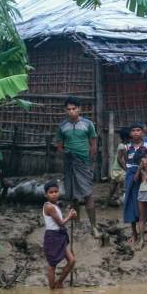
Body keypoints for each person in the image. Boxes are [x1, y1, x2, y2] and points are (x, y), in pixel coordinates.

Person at [55, 96, 100, 238]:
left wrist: (90, 163)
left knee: (88, 194)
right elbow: (59, 147)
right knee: (73, 195)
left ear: (79, 109)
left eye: (74, 108)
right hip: (69, 162)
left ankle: (94, 226)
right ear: (65, 110)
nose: (71, 111)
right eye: (68, 109)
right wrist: (65, 157)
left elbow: (93, 145)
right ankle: (77, 224)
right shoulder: (62, 126)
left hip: (83, 162)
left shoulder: (88, 124)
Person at [42, 181, 77, 289]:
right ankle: (52, 289)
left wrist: (71, 215)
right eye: (51, 192)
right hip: (52, 237)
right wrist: (70, 216)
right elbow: (61, 223)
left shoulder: (55, 205)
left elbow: (60, 222)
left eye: (56, 191)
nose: (54, 194)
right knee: (52, 265)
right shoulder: (49, 207)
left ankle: (59, 282)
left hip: (59, 235)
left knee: (72, 261)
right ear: (46, 194)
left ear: (59, 192)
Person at [122, 124, 147, 244]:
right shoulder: (126, 147)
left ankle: (142, 233)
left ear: (142, 132)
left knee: (142, 204)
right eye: (133, 130)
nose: (136, 132)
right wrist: (129, 172)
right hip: (130, 177)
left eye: (138, 130)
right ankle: (134, 233)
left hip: (143, 176)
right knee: (130, 204)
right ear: (130, 133)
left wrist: (141, 170)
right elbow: (125, 162)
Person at [107, 126, 130, 206]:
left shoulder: (123, 145)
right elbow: (119, 159)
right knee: (124, 185)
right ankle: (122, 200)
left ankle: (107, 203)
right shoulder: (123, 146)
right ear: (127, 137)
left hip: (116, 168)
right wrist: (126, 168)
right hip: (119, 169)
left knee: (113, 187)